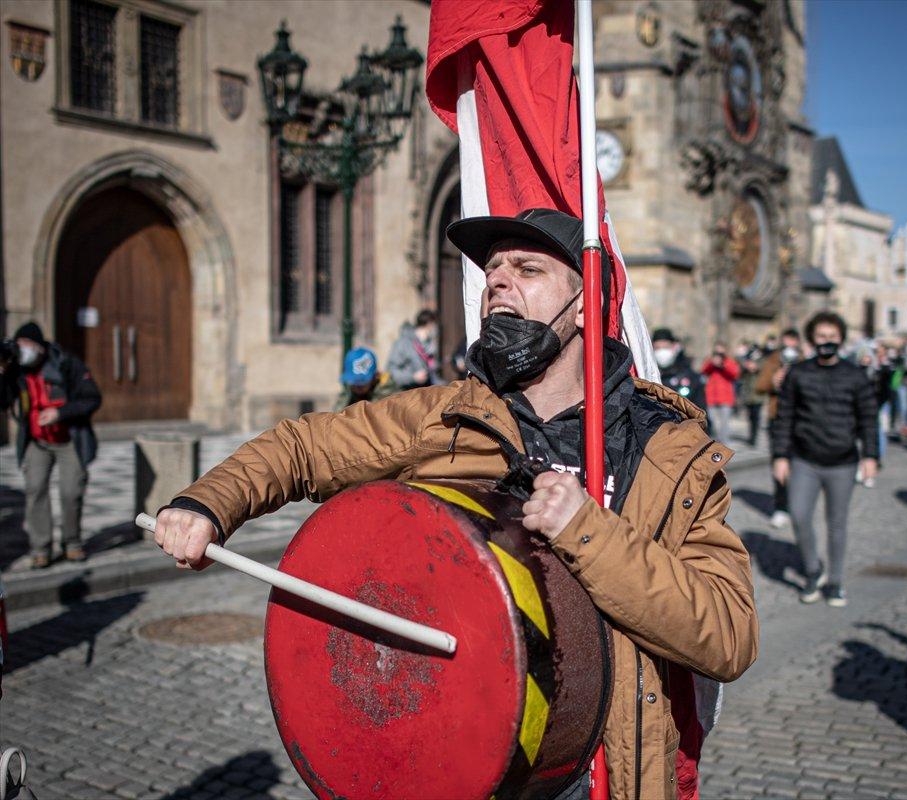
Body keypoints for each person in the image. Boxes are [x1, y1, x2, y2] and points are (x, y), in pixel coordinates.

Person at [151, 208, 758, 799]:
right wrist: (208, 502)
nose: (498, 280)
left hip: (597, 769)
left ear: (585, 305)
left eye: (528, 269)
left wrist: (586, 531)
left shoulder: (667, 453)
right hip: (457, 757)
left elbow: (727, 637)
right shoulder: (443, 415)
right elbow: (303, 446)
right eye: (493, 269)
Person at [771, 312, 878, 607]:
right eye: (821, 337)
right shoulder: (798, 373)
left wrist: (871, 456)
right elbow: (785, 417)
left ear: (841, 339)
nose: (827, 342)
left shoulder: (855, 375)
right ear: (812, 339)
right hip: (805, 458)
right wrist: (780, 456)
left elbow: (869, 418)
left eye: (832, 337)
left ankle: (835, 581)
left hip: (843, 461)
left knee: (837, 523)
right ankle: (812, 570)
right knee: (799, 514)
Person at [0, 322, 101, 568]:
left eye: (27, 345)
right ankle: (41, 548)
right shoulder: (17, 370)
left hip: (69, 439)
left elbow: (92, 398)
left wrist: (61, 413)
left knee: (71, 491)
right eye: (19, 345)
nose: (23, 351)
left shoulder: (66, 363)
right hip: (37, 440)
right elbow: (3, 402)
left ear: (40, 346)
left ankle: (72, 543)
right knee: (35, 490)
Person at [757, 328, 803, 528]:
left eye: (793, 342)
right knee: (779, 463)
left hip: (801, 418)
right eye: (787, 343)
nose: (790, 346)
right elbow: (760, 385)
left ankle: (798, 504)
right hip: (778, 417)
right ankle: (781, 506)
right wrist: (774, 381)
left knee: (799, 465)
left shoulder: (804, 362)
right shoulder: (773, 360)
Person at [651, 327, 707, 415]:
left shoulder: (689, 375)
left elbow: (701, 410)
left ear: (674, 347)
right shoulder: (647, 375)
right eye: (658, 348)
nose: (662, 352)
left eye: (666, 347)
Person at [385, 309, 442, 390]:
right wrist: (412, 377)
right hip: (406, 393)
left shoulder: (428, 344)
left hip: (424, 391)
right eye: (434, 325)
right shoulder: (403, 343)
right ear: (429, 324)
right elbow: (391, 371)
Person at [333, 347, 398, 410]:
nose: (357, 386)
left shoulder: (386, 388)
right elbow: (337, 412)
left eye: (362, 382)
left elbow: (376, 414)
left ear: (375, 376)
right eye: (354, 381)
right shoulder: (349, 388)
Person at [700, 343, 740, 445]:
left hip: (726, 397)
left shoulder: (729, 362)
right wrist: (712, 363)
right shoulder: (710, 361)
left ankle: (724, 442)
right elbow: (703, 370)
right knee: (712, 421)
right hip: (711, 397)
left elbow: (735, 374)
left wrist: (723, 365)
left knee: (724, 422)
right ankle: (714, 441)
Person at [737, 342, 766, 448]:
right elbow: (741, 372)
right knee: (750, 417)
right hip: (748, 394)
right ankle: (751, 436)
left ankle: (754, 437)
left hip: (758, 394)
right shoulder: (747, 360)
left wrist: (753, 366)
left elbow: (759, 369)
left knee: (756, 417)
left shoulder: (762, 361)